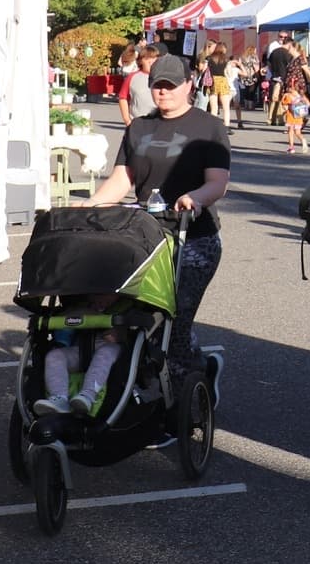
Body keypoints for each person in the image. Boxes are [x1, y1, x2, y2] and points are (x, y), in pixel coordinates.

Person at [84, 55, 231, 394]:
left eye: (170, 85)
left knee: (174, 318)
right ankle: (195, 370)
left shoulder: (209, 127)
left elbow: (218, 182)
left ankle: (183, 400)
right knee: (136, 315)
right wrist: (90, 205)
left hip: (193, 237)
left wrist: (195, 197)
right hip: (145, 238)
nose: (163, 92)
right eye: (157, 85)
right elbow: (122, 179)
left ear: (189, 85)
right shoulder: (139, 127)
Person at [33, 295, 124, 418]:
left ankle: (88, 395)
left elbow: (129, 330)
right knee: (55, 356)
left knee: (104, 354)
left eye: (107, 296)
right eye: (98, 295)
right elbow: (62, 321)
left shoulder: (124, 307)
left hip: (111, 348)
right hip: (81, 350)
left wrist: (119, 333)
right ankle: (59, 398)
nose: (102, 298)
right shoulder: (79, 306)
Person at [117, 42, 160, 127]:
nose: (151, 62)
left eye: (154, 59)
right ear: (140, 61)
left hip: (159, 124)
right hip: (137, 123)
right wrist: (127, 120)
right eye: (147, 59)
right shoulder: (132, 77)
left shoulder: (163, 77)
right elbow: (122, 98)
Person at [282, 79, 310, 153]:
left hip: (291, 116)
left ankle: (291, 147)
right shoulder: (301, 96)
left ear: (291, 88)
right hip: (299, 116)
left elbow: (285, 107)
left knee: (290, 132)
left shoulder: (288, 96)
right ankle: (303, 140)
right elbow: (308, 104)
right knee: (298, 132)